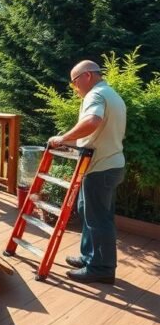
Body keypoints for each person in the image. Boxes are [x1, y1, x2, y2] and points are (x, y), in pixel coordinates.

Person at [48, 60, 126, 284]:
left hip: (101, 167)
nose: (74, 88)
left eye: (74, 82)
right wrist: (74, 142)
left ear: (87, 76)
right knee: (88, 212)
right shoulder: (111, 94)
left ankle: (101, 268)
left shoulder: (95, 95)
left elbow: (93, 121)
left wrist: (63, 138)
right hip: (110, 164)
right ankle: (89, 257)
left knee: (98, 219)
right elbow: (100, 132)